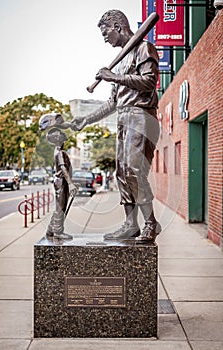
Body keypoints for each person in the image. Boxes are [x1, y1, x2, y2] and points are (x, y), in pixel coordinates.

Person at [72, 9, 161, 242]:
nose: (104, 38)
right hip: (123, 119)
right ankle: (131, 224)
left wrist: (113, 77)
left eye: (106, 33)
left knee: (134, 170)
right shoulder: (120, 62)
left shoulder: (144, 48)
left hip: (142, 116)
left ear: (118, 27)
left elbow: (150, 82)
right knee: (121, 173)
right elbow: (112, 103)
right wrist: (86, 119)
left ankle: (151, 223)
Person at [45, 128, 78, 240]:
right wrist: (70, 183)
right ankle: (58, 231)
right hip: (62, 182)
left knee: (59, 207)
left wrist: (71, 182)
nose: (63, 136)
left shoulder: (58, 151)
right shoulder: (60, 153)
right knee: (61, 207)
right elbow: (63, 168)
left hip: (60, 182)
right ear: (57, 139)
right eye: (61, 135)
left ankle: (50, 230)